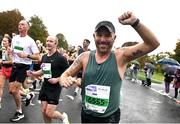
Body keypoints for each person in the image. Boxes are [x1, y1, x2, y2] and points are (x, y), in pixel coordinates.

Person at [55, 11, 160, 123]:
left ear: (114, 38)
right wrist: (64, 81)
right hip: (86, 115)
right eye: (99, 35)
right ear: (94, 36)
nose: (103, 39)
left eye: (108, 35)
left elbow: (153, 44)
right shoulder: (84, 57)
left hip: (109, 118)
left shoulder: (121, 56)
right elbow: (64, 75)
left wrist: (135, 22)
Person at [27, 35, 69, 123]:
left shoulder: (61, 58)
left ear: (56, 44)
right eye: (47, 41)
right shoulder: (44, 57)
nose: (48, 43)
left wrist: (57, 79)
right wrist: (33, 73)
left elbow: (68, 73)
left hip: (55, 87)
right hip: (45, 85)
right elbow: (43, 71)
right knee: (43, 111)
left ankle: (62, 117)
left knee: (49, 113)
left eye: (51, 41)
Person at [8, 20, 40, 122]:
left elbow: (37, 56)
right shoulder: (14, 38)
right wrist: (10, 53)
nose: (20, 26)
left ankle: (19, 112)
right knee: (10, 91)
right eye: (19, 24)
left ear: (28, 27)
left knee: (14, 90)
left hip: (24, 67)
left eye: (22, 24)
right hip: (15, 66)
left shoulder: (30, 40)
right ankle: (28, 95)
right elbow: (13, 52)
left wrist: (26, 55)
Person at [0, 36, 12, 109]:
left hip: (11, 70)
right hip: (3, 69)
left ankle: (27, 95)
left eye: (5, 41)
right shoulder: (3, 49)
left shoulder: (10, 50)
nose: (3, 42)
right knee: (0, 85)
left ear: (9, 42)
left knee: (12, 90)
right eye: (3, 41)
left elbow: (12, 61)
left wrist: (3, 61)